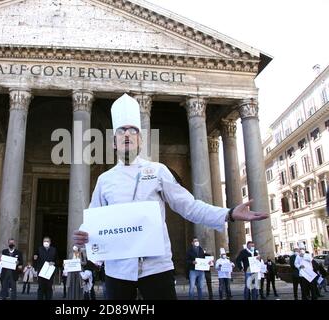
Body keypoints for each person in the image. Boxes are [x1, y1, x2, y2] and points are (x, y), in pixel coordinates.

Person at [73, 94, 268, 300]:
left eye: (133, 131)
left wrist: (229, 214)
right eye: (121, 131)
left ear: (140, 140)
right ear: (114, 142)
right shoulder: (105, 180)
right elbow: (93, 223)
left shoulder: (158, 171)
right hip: (118, 271)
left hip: (156, 267)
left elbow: (189, 206)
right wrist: (84, 237)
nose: (127, 135)